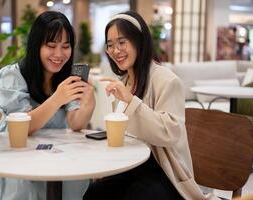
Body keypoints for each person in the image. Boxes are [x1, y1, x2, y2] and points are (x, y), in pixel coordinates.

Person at [83, 11, 218, 200]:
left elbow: (170, 132)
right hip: (131, 167)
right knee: (95, 193)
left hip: (164, 172)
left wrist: (130, 100)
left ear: (139, 41)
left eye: (122, 42)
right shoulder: (124, 80)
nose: (115, 50)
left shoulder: (166, 80)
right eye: (110, 45)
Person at [0, 11, 95, 200]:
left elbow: (75, 123)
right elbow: (23, 127)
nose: (59, 54)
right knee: (24, 185)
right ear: (36, 45)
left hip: (56, 157)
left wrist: (88, 104)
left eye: (66, 46)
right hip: (12, 158)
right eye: (51, 46)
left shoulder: (66, 78)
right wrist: (57, 98)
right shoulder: (13, 75)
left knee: (77, 178)